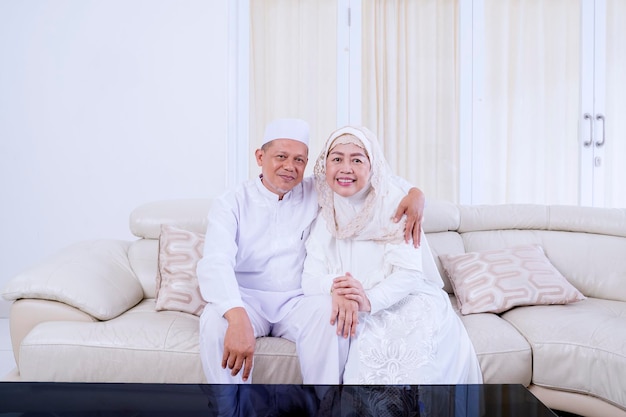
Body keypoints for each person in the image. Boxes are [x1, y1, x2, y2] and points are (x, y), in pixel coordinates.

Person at [197, 118, 426, 384]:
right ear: (260, 156)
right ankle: (231, 410)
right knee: (215, 322)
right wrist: (236, 315)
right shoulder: (231, 202)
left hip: (297, 301)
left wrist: (415, 193)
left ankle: (325, 405)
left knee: (333, 315)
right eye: (281, 156)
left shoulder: (316, 189)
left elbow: (370, 175)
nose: (289, 167)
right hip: (247, 300)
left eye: (299, 160)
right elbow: (215, 262)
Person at [302, 125, 483, 384]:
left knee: (390, 355)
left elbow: (409, 274)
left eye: (357, 159)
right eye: (337, 159)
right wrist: (337, 288)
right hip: (352, 300)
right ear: (325, 165)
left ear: (372, 165)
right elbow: (309, 278)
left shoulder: (396, 205)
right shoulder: (325, 210)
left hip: (402, 298)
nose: (345, 168)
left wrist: (369, 300)